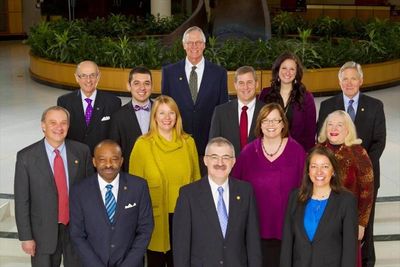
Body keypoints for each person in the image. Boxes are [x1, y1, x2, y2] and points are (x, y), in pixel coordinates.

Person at [317, 61, 386, 267]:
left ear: (361, 81)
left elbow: (379, 141)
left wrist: (361, 165)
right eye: (344, 79)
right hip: (331, 180)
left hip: (365, 178)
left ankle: (367, 261)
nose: (349, 83)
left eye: (353, 78)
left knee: (365, 226)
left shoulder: (375, 105)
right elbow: (322, 139)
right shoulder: (328, 105)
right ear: (339, 82)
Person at [14, 106, 94, 267]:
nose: (59, 127)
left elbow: (90, 194)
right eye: (53, 123)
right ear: (43, 125)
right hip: (42, 233)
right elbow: (22, 200)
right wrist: (26, 237)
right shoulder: (26, 157)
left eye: (63, 123)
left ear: (68, 126)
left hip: (76, 231)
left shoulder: (82, 151)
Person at [129, 95, 201, 267]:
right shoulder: (143, 144)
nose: (167, 118)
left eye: (171, 113)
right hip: (154, 217)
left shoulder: (188, 142)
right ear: (154, 117)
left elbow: (197, 180)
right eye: (161, 113)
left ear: (177, 116)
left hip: (184, 215)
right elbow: (133, 186)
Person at [231, 103, 306, 266]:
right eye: (265, 120)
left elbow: (305, 189)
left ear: (283, 124)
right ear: (260, 124)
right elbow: (235, 187)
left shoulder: (297, 151)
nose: (270, 125)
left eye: (275, 120)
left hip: (287, 229)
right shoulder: (248, 152)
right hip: (254, 229)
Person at [173, 137, 262, 267]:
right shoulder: (188, 195)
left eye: (226, 157)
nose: (220, 163)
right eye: (214, 157)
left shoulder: (245, 191)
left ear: (233, 162)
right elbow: (181, 246)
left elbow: (252, 241)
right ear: (205, 160)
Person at [69, 140, 154, 267]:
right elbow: (77, 234)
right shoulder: (79, 191)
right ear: (94, 162)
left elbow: (145, 229)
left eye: (114, 159)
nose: (108, 164)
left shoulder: (138, 186)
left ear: (121, 161)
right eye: (102, 159)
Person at [280, 146, 358, 267]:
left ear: (333, 171)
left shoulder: (346, 201)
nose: (319, 172)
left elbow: (349, 250)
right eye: (314, 166)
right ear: (308, 171)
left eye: (325, 167)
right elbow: (287, 243)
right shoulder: (295, 197)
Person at [161, 26, 228, 162]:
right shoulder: (169, 73)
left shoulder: (219, 73)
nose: (194, 46)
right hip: (178, 144)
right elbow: (165, 108)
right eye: (190, 43)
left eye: (198, 42)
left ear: (204, 45)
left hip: (208, 147)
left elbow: (222, 110)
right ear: (184, 45)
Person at [318, 110, 374, 267]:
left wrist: (362, 223)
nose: (333, 128)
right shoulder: (317, 150)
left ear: (348, 129)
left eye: (339, 125)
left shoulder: (358, 153)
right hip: (320, 220)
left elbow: (367, 191)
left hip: (347, 222)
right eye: (330, 124)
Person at [57, 60, 121, 154]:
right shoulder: (64, 102)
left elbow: (115, 136)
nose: (88, 80)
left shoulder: (113, 102)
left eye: (92, 75)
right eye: (83, 76)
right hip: (75, 158)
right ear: (76, 77)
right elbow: (61, 133)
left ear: (98, 76)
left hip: (101, 160)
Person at [259, 52, 316, 152]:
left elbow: (310, 133)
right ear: (278, 70)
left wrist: (307, 157)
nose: (287, 72)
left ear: (296, 72)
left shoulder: (306, 97)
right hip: (269, 151)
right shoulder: (265, 94)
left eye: (292, 69)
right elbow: (259, 126)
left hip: (296, 152)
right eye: (284, 68)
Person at [209, 66, 265, 156]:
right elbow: (213, 147)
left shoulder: (267, 112)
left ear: (257, 84)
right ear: (235, 85)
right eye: (241, 83)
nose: (245, 87)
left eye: (249, 82)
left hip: (259, 168)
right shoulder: (220, 112)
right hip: (229, 168)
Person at [109, 66, 153, 172]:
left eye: (146, 83)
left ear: (152, 86)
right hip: (131, 173)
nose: (142, 88)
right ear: (129, 86)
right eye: (136, 83)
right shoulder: (118, 116)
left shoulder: (162, 113)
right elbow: (115, 153)